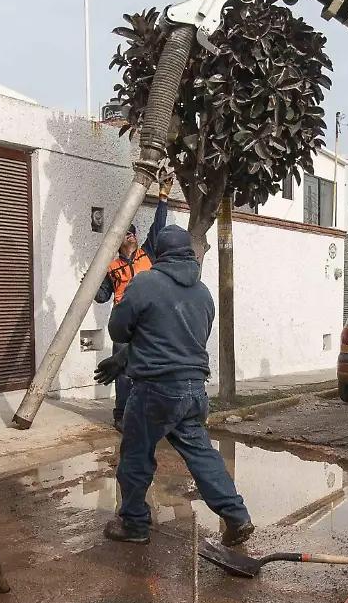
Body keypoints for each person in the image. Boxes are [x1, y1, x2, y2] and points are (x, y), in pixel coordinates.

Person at [101, 221, 255, 547]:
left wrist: (128, 353)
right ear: (188, 253)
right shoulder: (203, 293)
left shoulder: (144, 283)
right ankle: (236, 515)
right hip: (194, 390)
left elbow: (118, 330)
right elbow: (182, 339)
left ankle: (134, 523)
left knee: (136, 455)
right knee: (202, 455)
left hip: (154, 391)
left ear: (159, 252)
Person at [95, 199, 171, 427]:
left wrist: (163, 199)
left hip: (149, 321)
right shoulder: (112, 267)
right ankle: (121, 415)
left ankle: (150, 411)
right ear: (117, 241)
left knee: (153, 366)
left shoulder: (147, 254)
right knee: (123, 370)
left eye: (133, 233)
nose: (131, 235)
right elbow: (102, 296)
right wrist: (91, 285)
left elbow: (158, 226)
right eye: (127, 233)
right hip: (125, 324)